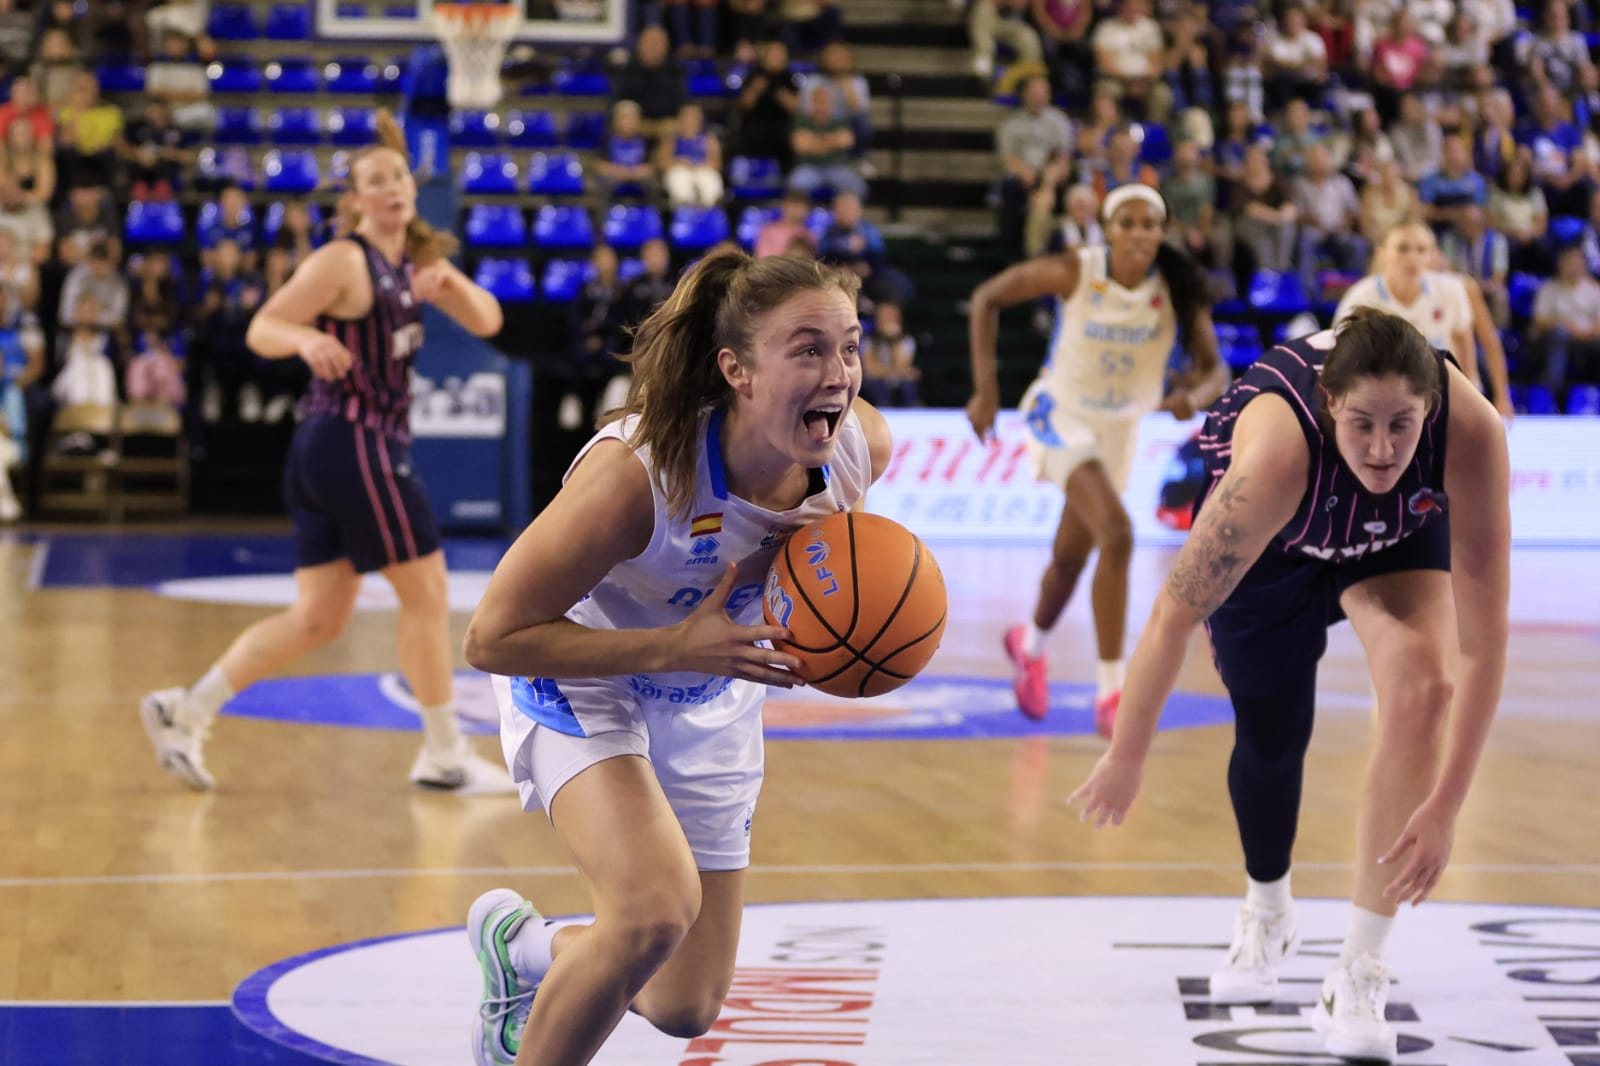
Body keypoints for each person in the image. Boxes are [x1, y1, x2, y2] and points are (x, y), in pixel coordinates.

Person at [458, 247, 891, 1066]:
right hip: (585, 673)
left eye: (850, 346)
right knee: (654, 910)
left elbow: (836, 580)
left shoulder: (858, 449)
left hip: (711, 690)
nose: (838, 371)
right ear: (738, 370)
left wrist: (848, 630)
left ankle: (524, 949)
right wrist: (669, 645)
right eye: (807, 348)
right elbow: (492, 637)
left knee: (683, 1003)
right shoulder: (639, 479)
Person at [1070, 308, 1510, 1065]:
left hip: (1395, 534)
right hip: (1275, 542)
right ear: (1333, 404)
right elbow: (1173, 618)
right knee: (1273, 736)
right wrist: (1128, 753)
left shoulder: (1471, 435)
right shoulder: (1275, 454)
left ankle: (1359, 969)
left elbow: (1485, 638)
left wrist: (1446, 805)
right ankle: (1268, 909)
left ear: (1430, 410)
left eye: (1402, 425)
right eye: (1364, 423)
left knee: (1424, 687)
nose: (1381, 448)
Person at [138, 111, 512, 794]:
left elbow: (490, 320)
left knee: (319, 618)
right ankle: (444, 754)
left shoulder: (417, 263)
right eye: (376, 181)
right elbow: (263, 325)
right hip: (352, 439)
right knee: (427, 594)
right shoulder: (344, 259)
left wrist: (451, 285)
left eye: (398, 175)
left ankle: (183, 710)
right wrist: (304, 340)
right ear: (356, 199)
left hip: (329, 449)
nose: (392, 188)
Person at [965, 184, 1228, 733]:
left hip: (1120, 428)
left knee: (1070, 557)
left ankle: (1029, 645)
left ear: (1162, 233)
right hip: (1059, 413)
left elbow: (1216, 371)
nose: (1138, 233)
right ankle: (1112, 693)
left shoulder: (1175, 288)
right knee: (1118, 533)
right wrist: (986, 390)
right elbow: (988, 296)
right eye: (1127, 222)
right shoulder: (1076, 269)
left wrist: (1192, 399)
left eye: (1149, 224)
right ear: (1108, 229)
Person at [1335, 222, 1477, 390]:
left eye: (1421, 250)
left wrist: (1472, 390)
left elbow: (1465, 342)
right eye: (1403, 248)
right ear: (1381, 253)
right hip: (1381, 395)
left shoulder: (1450, 290)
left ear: (1432, 255)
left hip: (1439, 391)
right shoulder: (1360, 298)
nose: (1412, 257)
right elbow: (1342, 357)